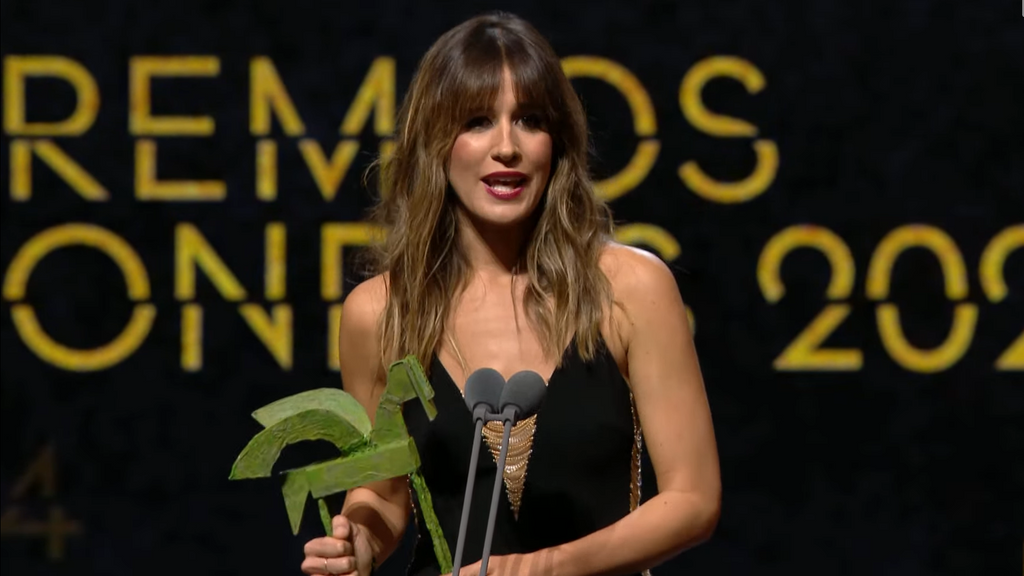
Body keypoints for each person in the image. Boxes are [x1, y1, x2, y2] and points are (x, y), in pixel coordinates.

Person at [302, 11, 720, 576]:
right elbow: (382, 495)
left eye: (528, 120)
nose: (507, 147)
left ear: (557, 143)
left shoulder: (630, 289)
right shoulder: (379, 313)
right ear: (436, 144)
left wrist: (543, 569)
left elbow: (692, 502)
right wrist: (359, 547)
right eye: (476, 122)